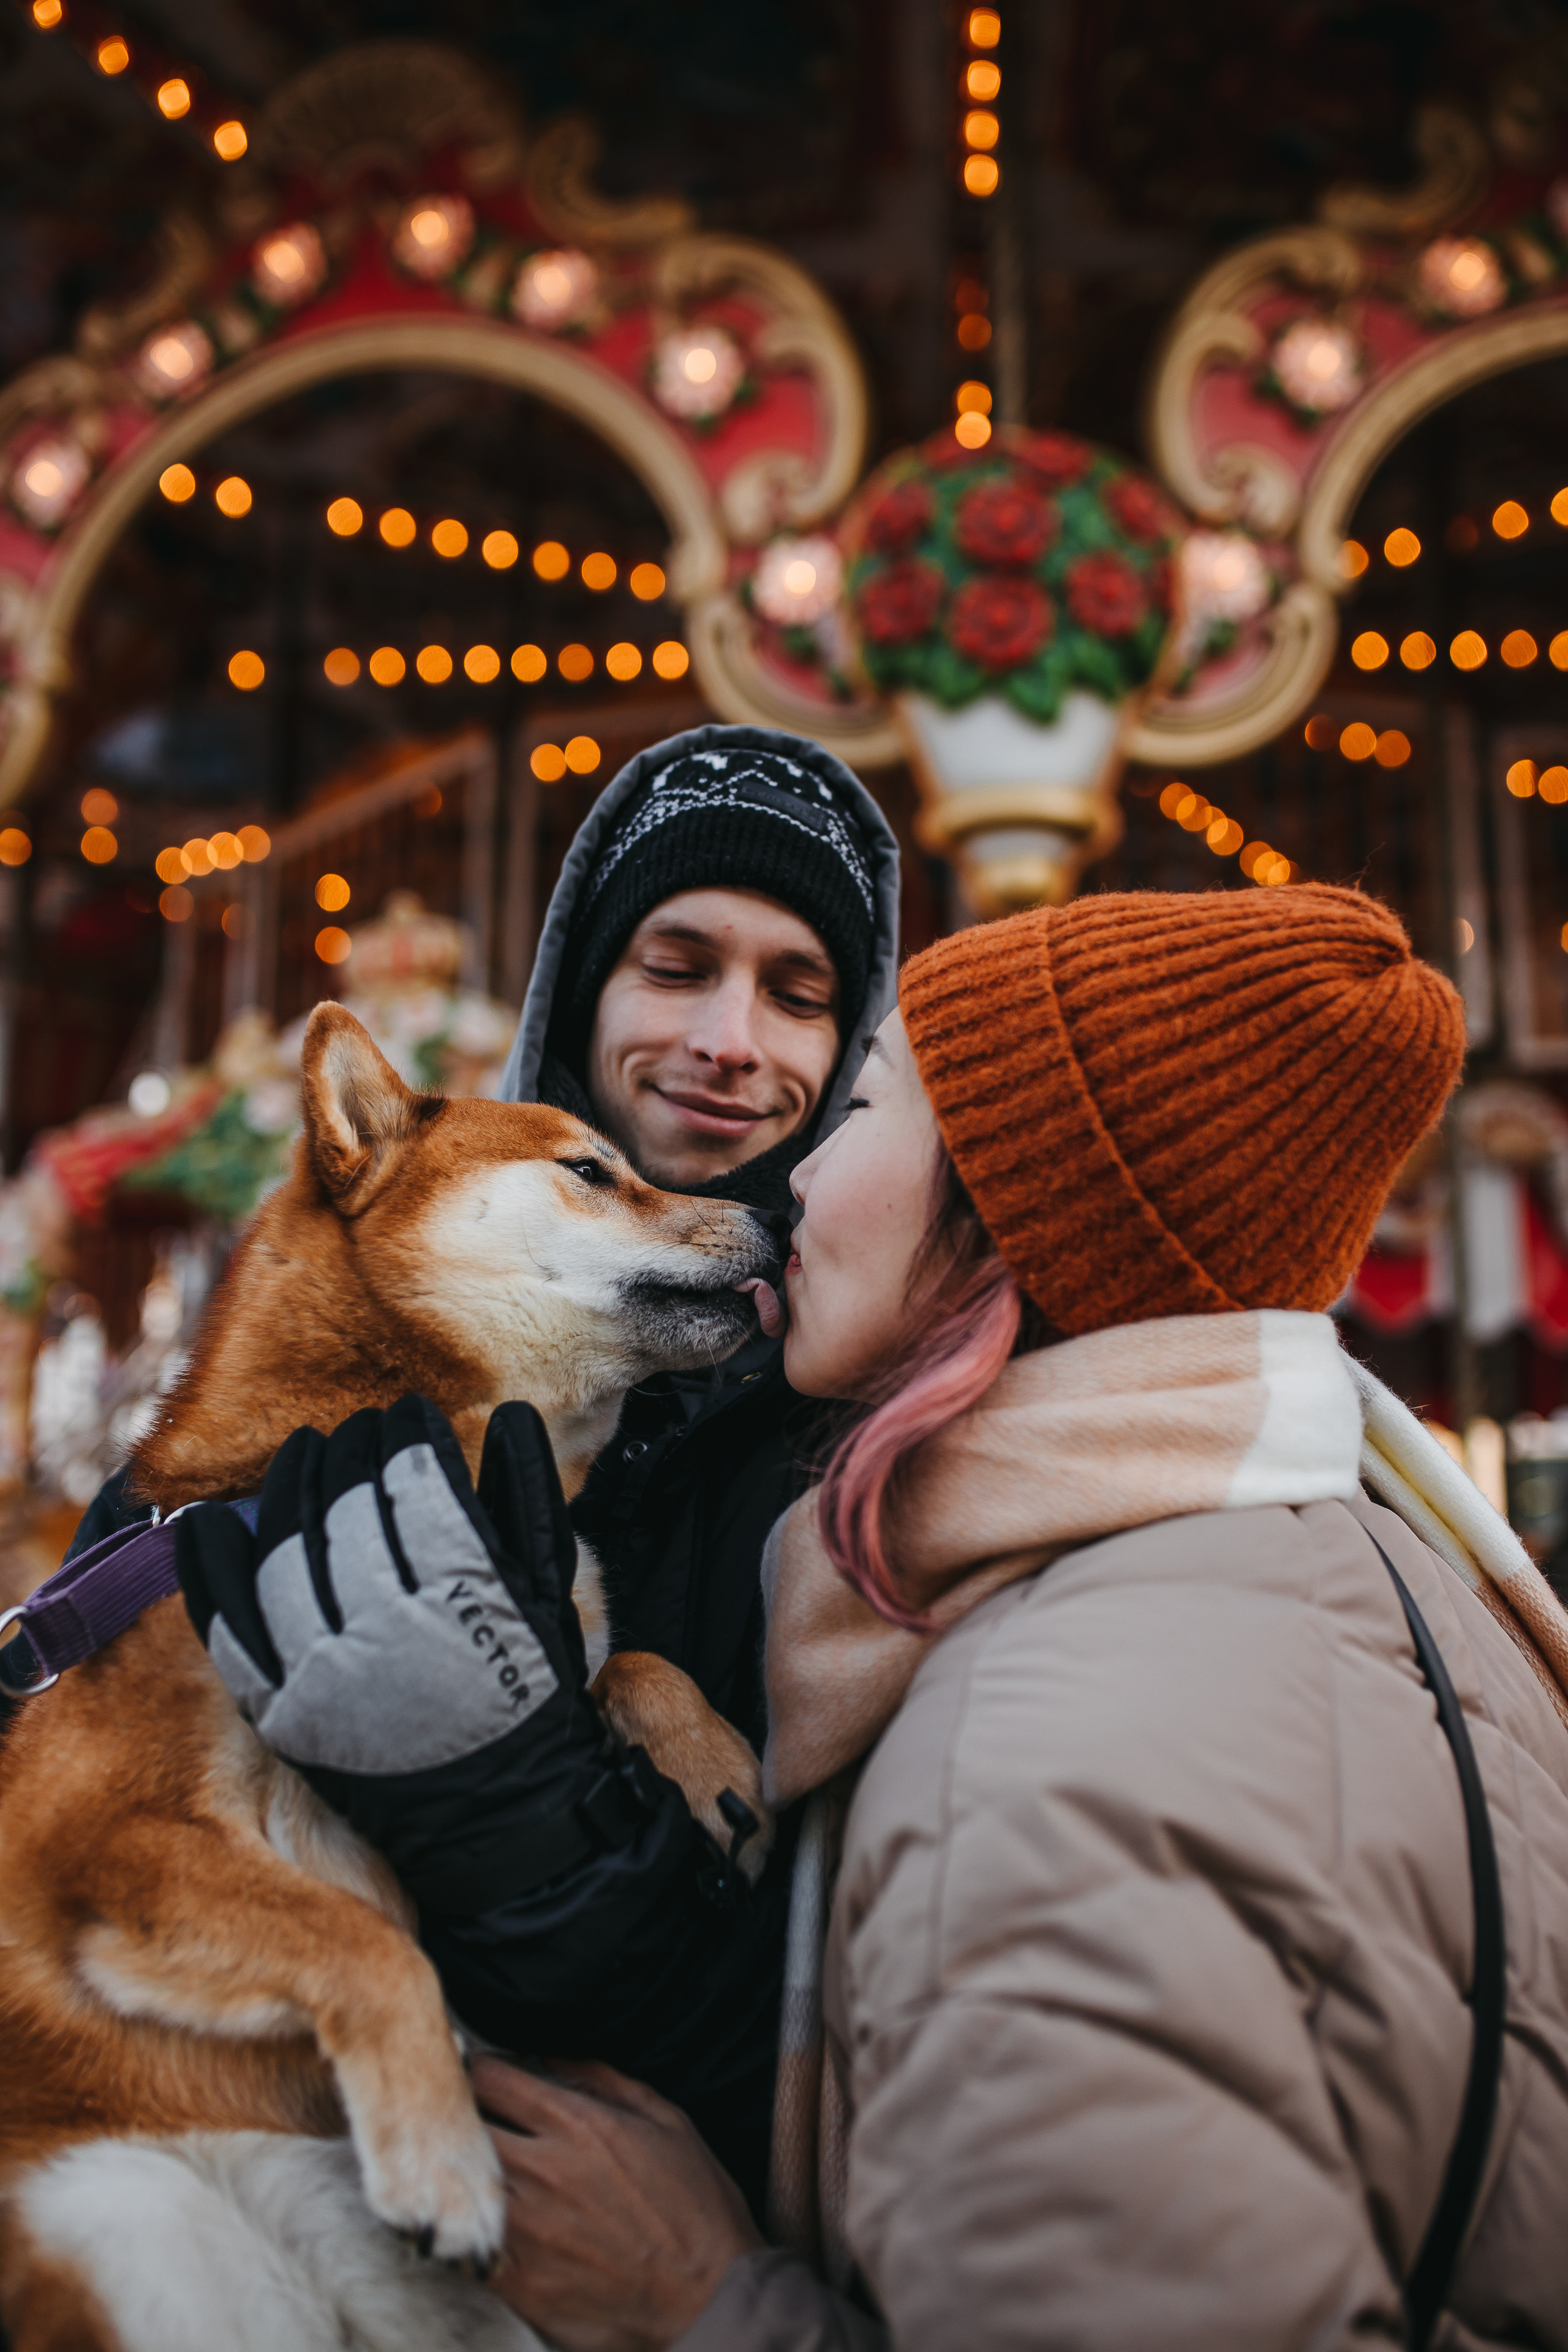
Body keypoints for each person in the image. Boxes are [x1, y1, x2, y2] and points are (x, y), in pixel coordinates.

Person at [467, 883, 1568, 2351]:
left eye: (863, 1105)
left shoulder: (1049, 1765)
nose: (800, 1174)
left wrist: (697, 2296)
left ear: (1010, 1209)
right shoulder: (1371, 1558)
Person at [69, 722, 901, 2217]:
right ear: (580, 990)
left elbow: (831, 2005)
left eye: (798, 994)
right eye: (674, 965)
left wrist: (548, 1781)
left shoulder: (870, 1446)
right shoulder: (278, 1402)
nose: (730, 1038)